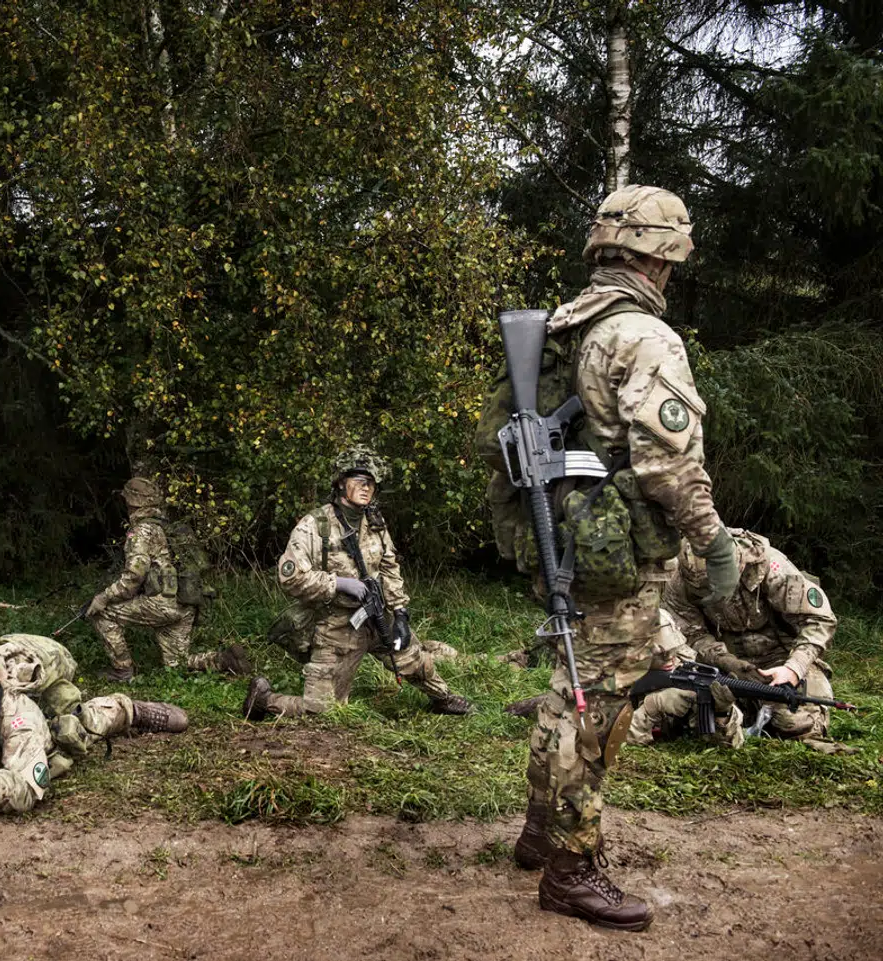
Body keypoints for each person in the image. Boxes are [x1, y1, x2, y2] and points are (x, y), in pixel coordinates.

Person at [490, 186, 739, 931]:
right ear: (657, 257)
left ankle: (540, 832)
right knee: (596, 707)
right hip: (613, 551)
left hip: (566, 534)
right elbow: (666, 463)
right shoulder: (643, 336)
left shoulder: (574, 323)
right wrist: (715, 539)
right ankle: (571, 867)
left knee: (570, 688)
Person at [241, 446, 473, 720]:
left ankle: (442, 698)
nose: (367, 488)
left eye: (372, 483)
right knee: (322, 711)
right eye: (360, 481)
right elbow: (290, 577)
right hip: (337, 625)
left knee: (414, 659)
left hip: (376, 616)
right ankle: (264, 700)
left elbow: (389, 566)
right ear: (341, 483)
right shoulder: (315, 525)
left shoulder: (374, 521)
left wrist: (399, 613)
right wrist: (337, 583)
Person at [0, 625, 188, 813]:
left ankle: (128, 709)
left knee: (76, 726)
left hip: (42, 723)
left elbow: (24, 794)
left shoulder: (17, 710)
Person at [666, 528, 846, 753]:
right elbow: (691, 633)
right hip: (723, 665)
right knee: (685, 711)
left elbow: (819, 621)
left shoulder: (772, 569)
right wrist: (728, 662)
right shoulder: (682, 579)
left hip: (782, 658)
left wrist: (793, 668)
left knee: (795, 722)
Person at [85, 477, 250, 682]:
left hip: (161, 605)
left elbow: (134, 577)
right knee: (176, 666)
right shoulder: (168, 527)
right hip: (184, 602)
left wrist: (104, 597)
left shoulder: (141, 532)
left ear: (132, 502)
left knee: (102, 614)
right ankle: (225, 660)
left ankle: (122, 670)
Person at [626, 610, 744, 749]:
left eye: (674, 649)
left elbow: (729, 747)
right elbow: (608, 743)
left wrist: (722, 712)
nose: (670, 658)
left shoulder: (690, 672)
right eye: (660, 654)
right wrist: (652, 706)